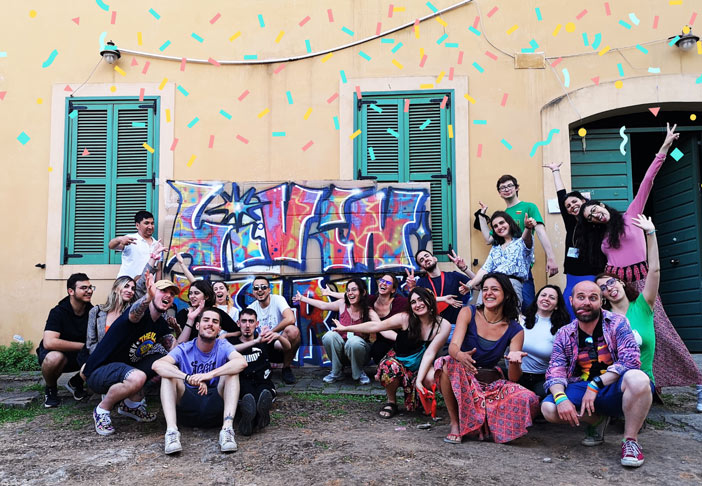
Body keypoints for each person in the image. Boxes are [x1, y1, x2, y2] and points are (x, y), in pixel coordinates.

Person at [577, 123, 702, 405]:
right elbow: (608, 265)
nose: (594, 215)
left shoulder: (632, 213)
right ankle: (642, 385)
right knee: (623, 336)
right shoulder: (602, 243)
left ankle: (697, 383)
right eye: (589, 217)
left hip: (643, 282)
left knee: (662, 333)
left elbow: (648, 178)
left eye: (594, 209)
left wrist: (666, 145)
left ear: (602, 206)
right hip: (617, 286)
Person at [541, 281, 653, 467]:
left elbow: (630, 360)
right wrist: (560, 397)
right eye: (581, 297)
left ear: (601, 301)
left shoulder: (618, 323)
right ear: (571, 301)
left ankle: (630, 441)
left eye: (593, 298)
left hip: (614, 385)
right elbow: (555, 370)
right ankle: (597, 421)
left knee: (639, 378)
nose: (586, 302)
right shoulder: (564, 333)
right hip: (581, 386)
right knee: (549, 409)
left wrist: (596, 384)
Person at [435, 273, 539, 444]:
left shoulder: (515, 329)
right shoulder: (468, 312)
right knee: (446, 363)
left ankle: (485, 422)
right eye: (485, 289)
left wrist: (514, 362)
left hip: (491, 384)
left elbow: (513, 378)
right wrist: (461, 355)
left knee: (529, 398)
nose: (488, 293)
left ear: (506, 294)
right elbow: (453, 347)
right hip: (462, 377)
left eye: (495, 289)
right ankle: (456, 424)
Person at [82, 273, 178, 436]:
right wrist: (147, 297)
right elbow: (135, 314)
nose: (168, 295)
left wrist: (187, 323)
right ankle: (102, 410)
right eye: (163, 291)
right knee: (137, 377)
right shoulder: (137, 314)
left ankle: (130, 405)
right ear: (153, 292)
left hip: (124, 368)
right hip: (99, 371)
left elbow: (175, 349)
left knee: (165, 361)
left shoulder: (160, 323)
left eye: (172, 293)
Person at [330, 287, 450, 418]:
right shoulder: (405, 318)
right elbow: (376, 326)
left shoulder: (443, 325)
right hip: (399, 360)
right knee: (389, 367)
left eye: (421, 300)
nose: (418, 305)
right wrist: (345, 328)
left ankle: (422, 397)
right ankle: (391, 402)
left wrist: (419, 381)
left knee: (432, 378)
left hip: (423, 363)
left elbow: (430, 353)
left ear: (430, 300)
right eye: (413, 302)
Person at [152, 307, 247, 454]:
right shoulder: (184, 348)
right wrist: (188, 378)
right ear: (197, 326)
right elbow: (157, 365)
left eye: (215, 322)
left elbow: (241, 362)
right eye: (206, 320)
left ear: (219, 329)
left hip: (215, 406)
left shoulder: (223, 345)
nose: (210, 324)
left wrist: (208, 375)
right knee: (168, 375)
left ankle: (227, 430)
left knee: (232, 373)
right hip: (188, 405)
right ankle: (171, 432)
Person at [476, 175, 559, 309]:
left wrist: (551, 257)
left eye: (509, 186)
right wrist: (481, 216)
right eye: (502, 187)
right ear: (499, 193)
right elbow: (489, 239)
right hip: (502, 273)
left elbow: (540, 231)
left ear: (517, 188)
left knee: (528, 307)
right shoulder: (503, 216)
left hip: (522, 269)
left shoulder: (529, 207)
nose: (506, 189)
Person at [596, 214, 659, 385]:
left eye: (610, 282)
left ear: (621, 282)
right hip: (612, 382)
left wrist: (650, 233)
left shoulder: (643, 306)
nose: (609, 288)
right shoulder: (603, 317)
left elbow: (654, 270)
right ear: (602, 297)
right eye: (603, 288)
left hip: (641, 381)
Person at [543, 162, 605, 318]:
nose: (572, 206)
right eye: (568, 205)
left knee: (589, 313)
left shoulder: (595, 221)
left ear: (584, 201)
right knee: (569, 314)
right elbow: (561, 195)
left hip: (592, 276)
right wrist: (555, 171)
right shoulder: (571, 223)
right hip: (571, 277)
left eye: (575, 202)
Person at [294, 278, 380, 385]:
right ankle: (337, 372)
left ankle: (358, 373)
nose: (350, 293)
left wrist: (347, 328)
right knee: (329, 336)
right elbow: (323, 305)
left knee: (354, 341)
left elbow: (378, 325)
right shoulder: (342, 304)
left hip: (360, 353)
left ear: (363, 292)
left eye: (354, 290)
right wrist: (302, 298)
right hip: (343, 351)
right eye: (348, 290)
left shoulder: (368, 310)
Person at [323, 274, 408, 365]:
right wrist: (331, 293)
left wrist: (404, 341)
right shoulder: (371, 300)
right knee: (377, 350)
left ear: (393, 289)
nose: (383, 283)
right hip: (382, 342)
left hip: (396, 338)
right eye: (382, 280)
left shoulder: (399, 302)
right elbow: (352, 295)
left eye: (387, 282)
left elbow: (414, 303)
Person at [37, 273, 94, 407]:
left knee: (101, 351)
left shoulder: (93, 312)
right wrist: (83, 346)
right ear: (71, 291)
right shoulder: (58, 312)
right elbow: (49, 342)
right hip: (58, 354)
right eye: (84, 288)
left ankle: (76, 382)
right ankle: (51, 389)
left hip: (80, 356)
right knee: (54, 358)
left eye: (90, 287)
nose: (89, 291)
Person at [231, 308, 290, 436]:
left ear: (256, 324)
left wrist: (278, 336)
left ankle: (255, 418)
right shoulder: (232, 342)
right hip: (243, 383)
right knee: (249, 397)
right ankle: (257, 419)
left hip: (263, 381)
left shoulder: (265, 340)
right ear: (238, 323)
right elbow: (228, 350)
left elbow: (287, 348)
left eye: (251, 321)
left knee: (264, 393)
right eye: (244, 321)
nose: (247, 325)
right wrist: (254, 342)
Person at [466, 211, 536, 308]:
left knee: (507, 319)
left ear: (509, 223)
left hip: (511, 285)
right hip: (491, 284)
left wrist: (528, 228)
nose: (499, 227)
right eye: (495, 226)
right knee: (482, 316)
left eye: (502, 223)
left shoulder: (521, 242)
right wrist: (470, 285)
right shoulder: (495, 248)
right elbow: (485, 269)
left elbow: (526, 239)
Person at [246, 276, 301, 384]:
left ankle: (286, 368)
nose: (260, 290)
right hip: (263, 345)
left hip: (281, 342)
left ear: (269, 290)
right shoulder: (251, 308)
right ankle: (262, 369)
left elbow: (290, 318)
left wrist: (273, 332)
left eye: (263, 287)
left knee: (293, 330)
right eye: (256, 288)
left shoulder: (277, 299)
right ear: (253, 292)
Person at [519, 285, 571, 398]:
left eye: (552, 297)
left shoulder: (561, 330)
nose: (546, 298)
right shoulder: (521, 322)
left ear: (557, 306)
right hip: (517, 375)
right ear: (537, 299)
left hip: (543, 379)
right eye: (543, 295)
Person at [406, 249, 471, 337]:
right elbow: (418, 302)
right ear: (422, 267)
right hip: (434, 329)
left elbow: (479, 285)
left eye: (426, 256)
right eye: (421, 260)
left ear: (435, 258)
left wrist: (464, 269)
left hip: (457, 328)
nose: (425, 259)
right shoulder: (421, 283)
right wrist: (412, 288)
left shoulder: (453, 276)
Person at [85, 276, 136, 356]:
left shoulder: (131, 314)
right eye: (126, 286)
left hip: (122, 360)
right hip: (99, 358)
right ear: (115, 289)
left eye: (133, 289)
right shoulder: (96, 311)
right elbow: (90, 344)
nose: (130, 291)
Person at [109, 210, 158, 278]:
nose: (150, 227)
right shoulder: (129, 239)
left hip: (148, 286)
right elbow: (111, 246)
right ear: (137, 225)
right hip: (127, 285)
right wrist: (119, 239)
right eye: (146, 223)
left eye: (152, 223)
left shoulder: (157, 244)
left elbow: (159, 269)